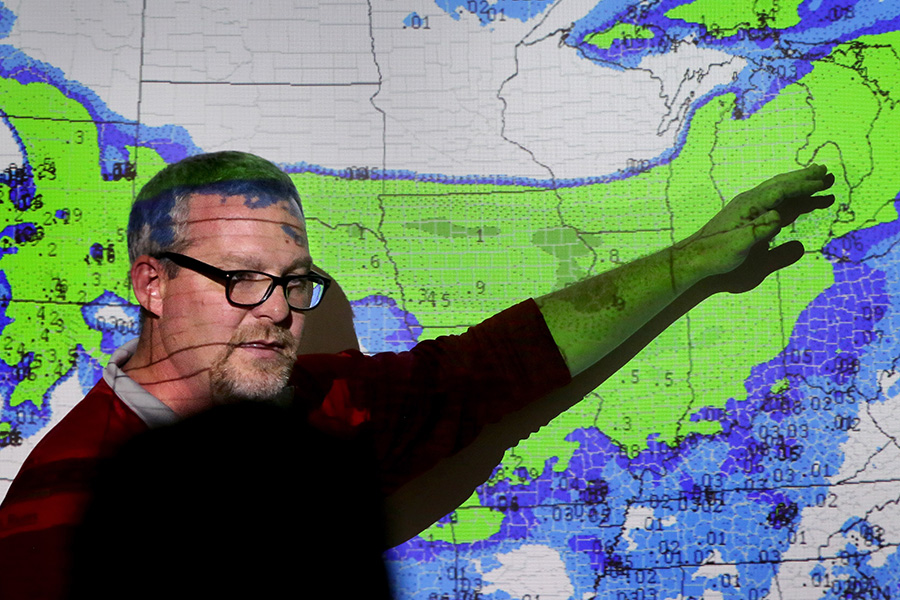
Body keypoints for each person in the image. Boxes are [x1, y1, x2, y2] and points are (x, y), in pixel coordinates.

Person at [0, 151, 834, 599]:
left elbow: (491, 370)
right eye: (241, 279)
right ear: (152, 284)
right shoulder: (56, 519)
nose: (280, 310)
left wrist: (695, 259)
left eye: (295, 283)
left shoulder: (320, 407)